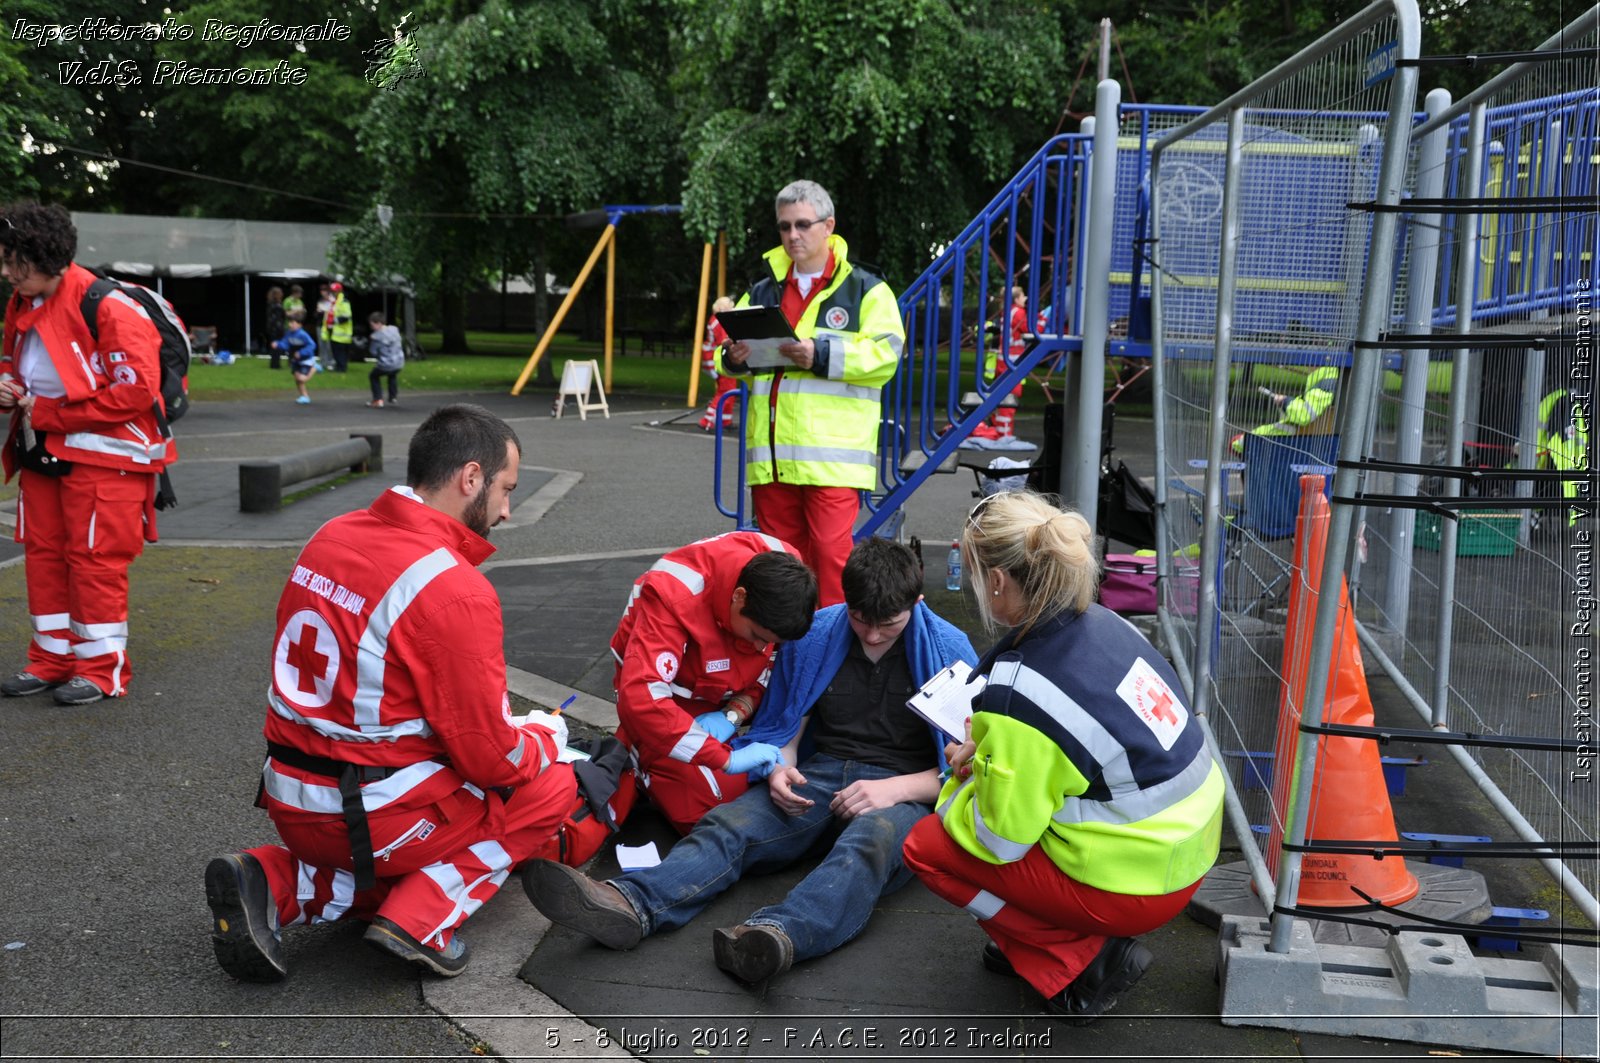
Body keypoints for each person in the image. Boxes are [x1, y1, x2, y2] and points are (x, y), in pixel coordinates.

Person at [204, 404, 578, 983]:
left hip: (288, 793)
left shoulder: (332, 534)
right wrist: (544, 739)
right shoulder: (453, 587)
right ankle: (421, 918)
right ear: (470, 478)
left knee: (404, 832)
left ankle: (273, 880)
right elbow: (492, 758)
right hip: (373, 815)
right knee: (550, 786)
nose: (506, 510)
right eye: (506, 490)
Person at [523, 537, 977, 984]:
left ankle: (776, 935)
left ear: (917, 603)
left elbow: (971, 768)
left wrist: (896, 789)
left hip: (906, 786)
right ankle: (629, 903)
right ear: (845, 600)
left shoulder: (950, 647)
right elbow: (790, 715)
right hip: (819, 773)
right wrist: (783, 764)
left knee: (868, 843)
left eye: (889, 625)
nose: (872, 634)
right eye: (860, 620)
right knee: (729, 825)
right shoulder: (819, 631)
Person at [902, 491, 1225, 1025]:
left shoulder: (1018, 693)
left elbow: (999, 842)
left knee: (928, 846)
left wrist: (962, 781)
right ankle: (1051, 941)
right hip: (1187, 852)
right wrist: (992, 750)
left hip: (1137, 883)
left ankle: (1079, 958)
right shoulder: (1104, 622)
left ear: (999, 582)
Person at [0, 201, 178, 706]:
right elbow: (14, 360)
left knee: (95, 560)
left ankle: (102, 669)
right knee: (44, 556)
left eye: (15, 263)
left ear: (47, 258)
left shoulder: (110, 307)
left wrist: (49, 412)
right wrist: (7, 385)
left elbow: (136, 393)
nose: (6, 273)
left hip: (106, 459)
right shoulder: (23, 301)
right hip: (42, 450)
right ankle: (51, 659)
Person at [720, 180, 903, 609]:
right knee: (779, 563)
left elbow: (887, 355)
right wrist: (735, 357)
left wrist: (818, 354)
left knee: (831, 559)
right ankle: (786, 650)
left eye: (803, 225)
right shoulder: (763, 289)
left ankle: (833, 649)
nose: (792, 236)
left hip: (833, 458)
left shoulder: (865, 288)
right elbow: (724, 360)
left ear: (828, 225)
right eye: (784, 227)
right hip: (774, 458)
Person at [610, 531, 816, 834]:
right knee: (704, 813)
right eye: (758, 637)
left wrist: (733, 715)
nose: (762, 648)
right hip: (673, 702)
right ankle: (640, 755)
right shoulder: (673, 596)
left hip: (725, 702)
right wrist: (727, 759)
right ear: (739, 596)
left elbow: (774, 664)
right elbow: (643, 699)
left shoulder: (787, 574)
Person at [1231, 365, 1339, 455]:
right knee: (1241, 442)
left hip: (1299, 440)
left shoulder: (1328, 375)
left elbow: (1305, 415)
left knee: (1238, 443)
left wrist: (1286, 401)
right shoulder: (1329, 373)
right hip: (1307, 438)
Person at [697, 295, 737, 431]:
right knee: (726, 390)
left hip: (715, 359)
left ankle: (725, 420)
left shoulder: (715, 320)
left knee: (728, 390)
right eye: (730, 307)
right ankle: (708, 420)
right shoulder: (721, 321)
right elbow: (724, 341)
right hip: (721, 359)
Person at [272, 310, 318, 405]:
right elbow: (286, 344)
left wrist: (301, 353)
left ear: (299, 325)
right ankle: (304, 396)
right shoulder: (289, 333)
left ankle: (314, 368)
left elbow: (312, 345)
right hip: (296, 360)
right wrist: (278, 345)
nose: (290, 325)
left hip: (306, 360)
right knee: (297, 379)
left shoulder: (303, 335)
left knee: (302, 379)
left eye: (293, 323)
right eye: (289, 322)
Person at [366, 311, 404, 408]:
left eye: (372, 325)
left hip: (386, 364)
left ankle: (378, 399)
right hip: (399, 362)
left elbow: (373, 352)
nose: (372, 328)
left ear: (378, 323)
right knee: (392, 374)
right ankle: (393, 396)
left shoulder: (376, 337)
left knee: (373, 376)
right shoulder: (394, 330)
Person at [325, 282, 354, 372]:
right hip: (337, 333)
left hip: (342, 333)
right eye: (332, 291)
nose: (333, 293)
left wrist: (334, 321)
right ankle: (340, 367)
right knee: (338, 352)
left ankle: (341, 368)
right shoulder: (335, 301)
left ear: (339, 291)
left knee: (340, 352)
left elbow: (347, 315)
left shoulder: (343, 301)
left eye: (335, 291)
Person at [263, 286, 286, 369]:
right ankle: (276, 364)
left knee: (274, 347)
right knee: (277, 347)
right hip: (277, 328)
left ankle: (274, 364)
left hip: (272, 328)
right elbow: (280, 316)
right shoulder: (277, 305)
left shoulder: (270, 303)